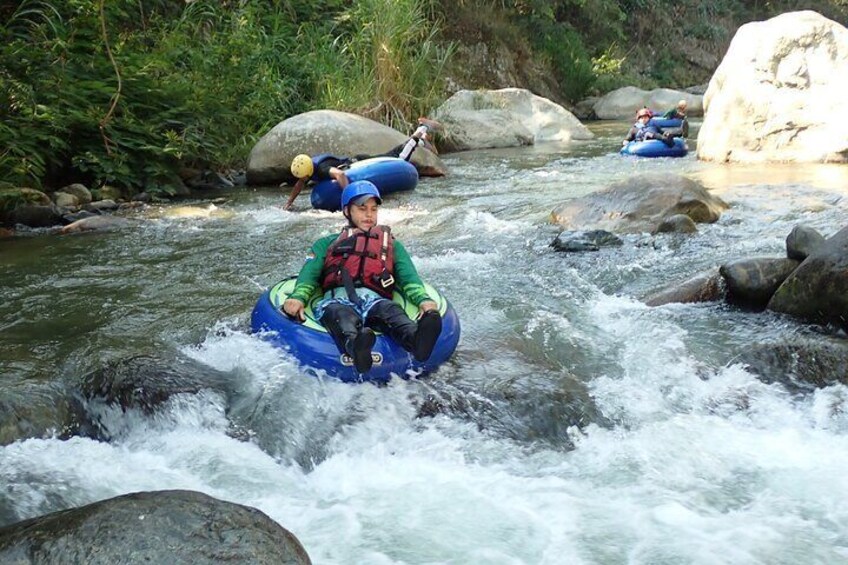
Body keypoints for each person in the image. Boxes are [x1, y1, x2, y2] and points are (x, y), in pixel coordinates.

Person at [282, 180, 442, 374]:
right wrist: (299, 298)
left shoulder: (391, 245)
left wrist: (424, 300)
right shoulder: (326, 243)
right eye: (362, 208)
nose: (369, 214)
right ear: (347, 211)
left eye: (374, 209)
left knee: (391, 311)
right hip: (337, 300)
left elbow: (409, 278)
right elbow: (309, 274)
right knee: (341, 315)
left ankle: (416, 340)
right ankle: (356, 347)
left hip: (375, 300)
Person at [284, 117, 442, 210]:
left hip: (360, 163)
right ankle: (421, 141)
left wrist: (349, 197)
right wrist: (289, 203)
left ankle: (422, 129)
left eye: (303, 177)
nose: (302, 180)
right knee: (392, 154)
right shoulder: (308, 166)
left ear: (307, 172)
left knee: (399, 159)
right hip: (358, 161)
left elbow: (340, 175)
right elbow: (299, 184)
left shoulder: (322, 168)